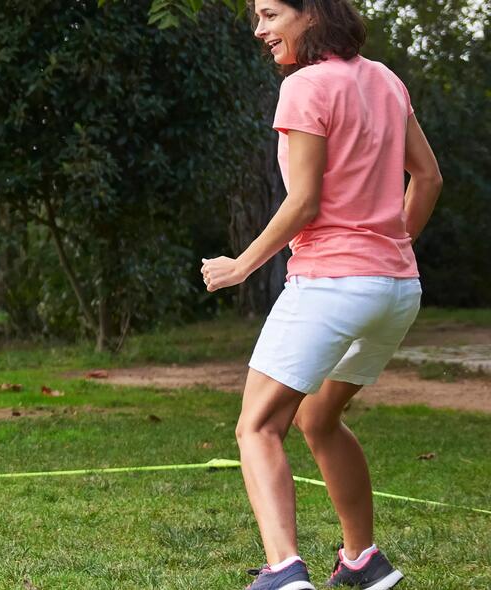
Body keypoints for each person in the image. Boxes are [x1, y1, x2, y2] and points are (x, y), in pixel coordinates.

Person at [202, 1, 441, 587]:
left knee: (256, 427)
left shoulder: (304, 86)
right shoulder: (384, 78)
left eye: (269, 13)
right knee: (320, 418)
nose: (259, 29)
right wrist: (388, 248)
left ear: (311, 14)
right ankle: (363, 559)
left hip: (332, 286)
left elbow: (303, 202)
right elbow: (428, 177)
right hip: (396, 290)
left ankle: (284, 572)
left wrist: (240, 266)